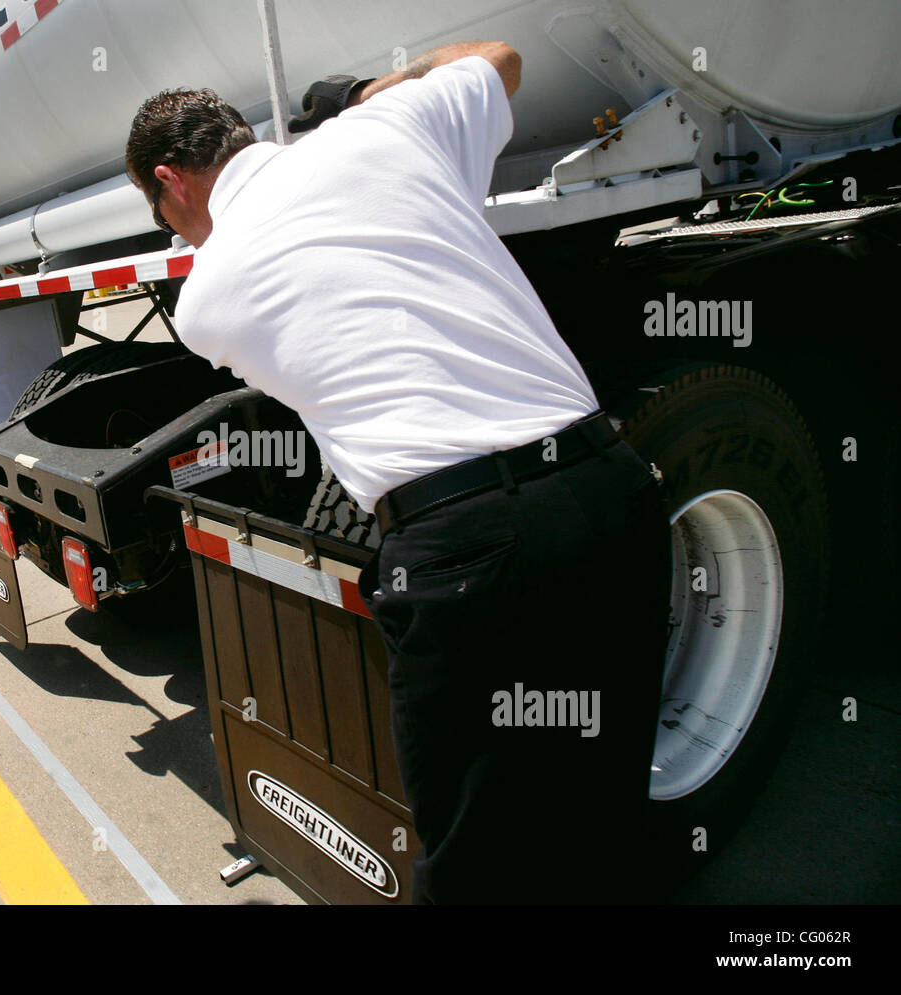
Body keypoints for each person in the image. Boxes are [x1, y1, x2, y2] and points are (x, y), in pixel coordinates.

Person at [126, 42, 671, 903]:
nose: (175, 233)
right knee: (606, 806)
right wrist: (363, 94)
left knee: (471, 856)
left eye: (164, 214)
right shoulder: (390, 124)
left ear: (173, 179)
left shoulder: (205, 302)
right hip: (612, 492)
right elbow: (502, 56)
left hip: (468, 553)